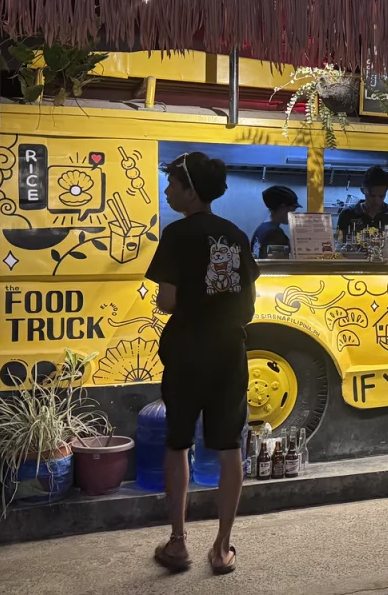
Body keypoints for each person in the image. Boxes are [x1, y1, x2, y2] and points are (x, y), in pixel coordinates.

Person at [148, 152, 258, 575]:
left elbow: (167, 301)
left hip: (187, 351)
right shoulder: (236, 235)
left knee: (178, 442)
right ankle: (222, 548)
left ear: (191, 191)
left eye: (173, 184)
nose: (167, 190)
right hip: (229, 351)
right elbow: (248, 306)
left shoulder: (177, 234)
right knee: (229, 447)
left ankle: (178, 544)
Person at [336, 166, 388, 236]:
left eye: (381, 196)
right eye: (372, 196)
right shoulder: (348, 214)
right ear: (362, 190)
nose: (376, 201)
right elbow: (339, 240)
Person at [251, 185, 301, 258]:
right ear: (282, 207)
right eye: (292, 210)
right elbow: (280, 264)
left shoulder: (261, 229)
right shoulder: (275, 233)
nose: (293, 215)